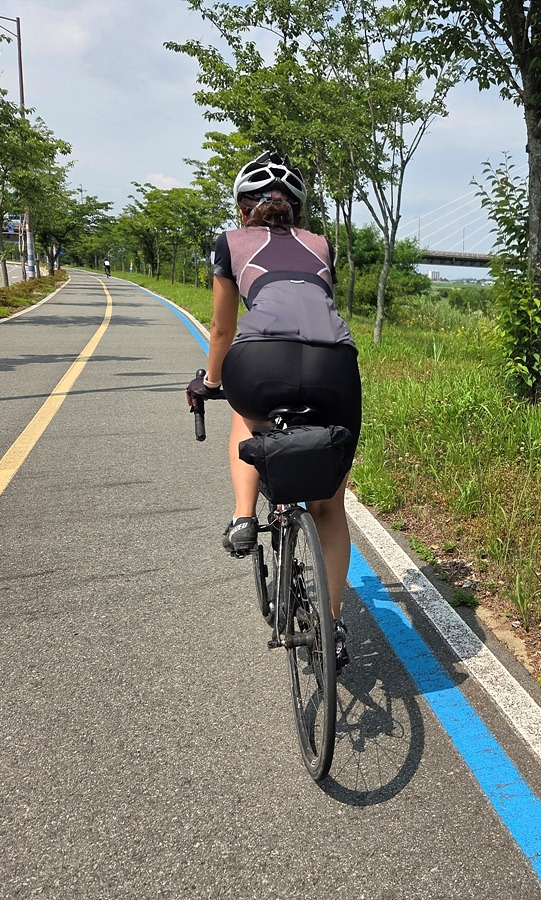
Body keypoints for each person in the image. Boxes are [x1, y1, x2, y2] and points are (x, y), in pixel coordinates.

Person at [186, 151, 360, 668]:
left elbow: (223, 329)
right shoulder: (320, 243)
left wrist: (210, 382)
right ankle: (333, 627)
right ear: (297, 212)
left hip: (262, 360)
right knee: (329, 507)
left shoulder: (230, 242)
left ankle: (243, 518)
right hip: (334, 364)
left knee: (244, 412)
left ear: (243, 209)